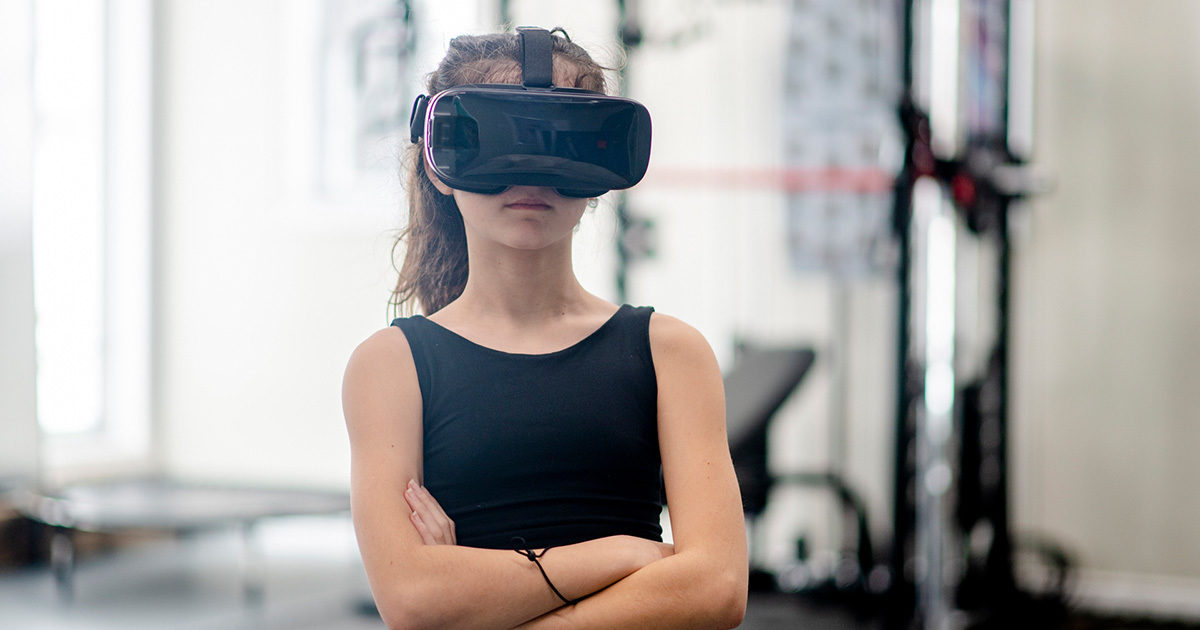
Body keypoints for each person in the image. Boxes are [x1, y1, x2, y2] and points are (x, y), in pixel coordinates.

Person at [342, 27, 747, 630]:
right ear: (441, 165)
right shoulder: (390, 366)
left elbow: (715, 588)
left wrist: (485, 598)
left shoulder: (670, 353)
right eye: (499, 144)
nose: (529, 176)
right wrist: (623, 557)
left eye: (560, 144)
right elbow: (413, 599)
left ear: (599, 166)